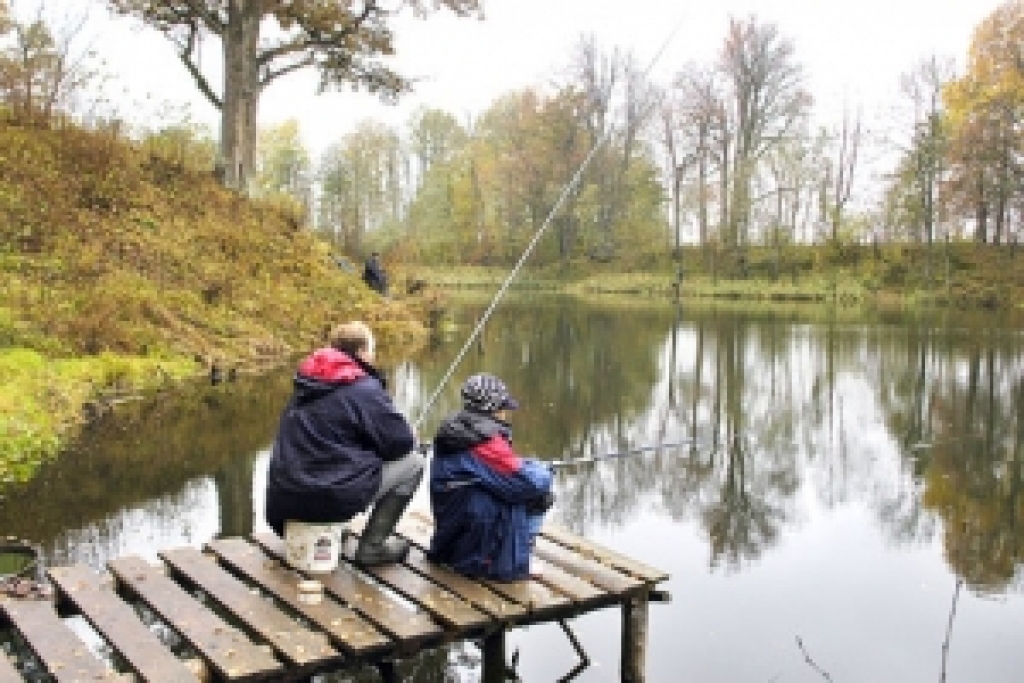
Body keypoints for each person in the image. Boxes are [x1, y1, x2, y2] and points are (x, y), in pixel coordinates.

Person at [265, 321, 423, 566]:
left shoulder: (304, 384)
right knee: (414, 462)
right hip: (327, 498)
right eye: (372, 350)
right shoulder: (364, 389)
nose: (374, 356)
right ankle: (373, 547)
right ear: (361, 353)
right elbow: (399, 445)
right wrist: (411, 435)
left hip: (285, 500)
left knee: (343, 455)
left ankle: (338, 529)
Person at [427, 373, 555, 581]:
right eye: (503, 407)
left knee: (526, 480)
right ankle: (517, 559)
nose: (505, 412)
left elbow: (492, 470)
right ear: (493, 409)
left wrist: (527, 465)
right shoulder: (486, 443)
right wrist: (544, 470)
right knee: (540, 493)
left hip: (452, 535)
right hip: (475, 552)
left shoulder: (457, 430)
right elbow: (532, 482)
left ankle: (494, 554)